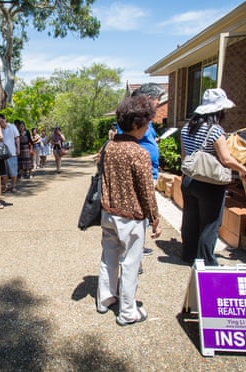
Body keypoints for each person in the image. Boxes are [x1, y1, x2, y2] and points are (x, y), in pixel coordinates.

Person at [96, 95, 161, 326]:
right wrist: (155, 218)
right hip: (130, 217)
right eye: (146, 123)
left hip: (107, 212)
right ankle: (127, 311)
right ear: (136, 124)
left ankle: (105, 299)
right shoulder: (139, 153)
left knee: (109, 257)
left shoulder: (108, 148)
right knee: (131, 264)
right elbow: (146, 191)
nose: (147, 127)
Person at [180, 89, 246, 266]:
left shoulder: (186, 128)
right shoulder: (215, 131)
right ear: (218, 111)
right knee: (210, 223)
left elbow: (184, 156)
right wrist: (244, 170)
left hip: (189, 179)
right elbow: (226, 159)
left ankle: (188, 254)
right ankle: (206, 261)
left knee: (190, 219)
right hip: (209, 183)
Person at [117, 83, 166, 258]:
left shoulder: (146, 120)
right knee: (139, 211)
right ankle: (131, 253)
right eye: (158, 99)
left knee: (141, 213)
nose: (159, 103)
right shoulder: (135, 119)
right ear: (148, 99)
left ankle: (136, 248)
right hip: (140, 172)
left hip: (148, 169)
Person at [0, 113, 19, 193]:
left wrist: (18, 149)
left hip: (12, 152)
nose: (1, 123)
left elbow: (17, 138)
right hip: (2, 153)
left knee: (13, 171)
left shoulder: (12, 127)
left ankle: (13, 186)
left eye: (2, 120)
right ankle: (6, 185)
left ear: (5, 119)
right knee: (4, 172)